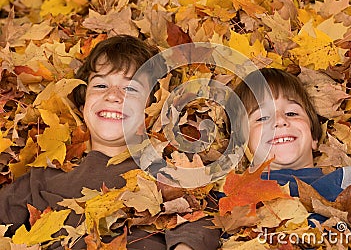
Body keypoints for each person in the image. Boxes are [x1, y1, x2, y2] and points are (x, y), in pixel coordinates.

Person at [0, 35, 220, 250]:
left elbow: (200, 221)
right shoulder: (41, 179)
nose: (114, 96)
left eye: (130, 89)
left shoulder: (167, 174)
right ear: (82, 103)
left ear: (152, 107)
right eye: (101, 86)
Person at [231, 68, 351, 249]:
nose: (279, 121)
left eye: (291, 113)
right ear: (242, 146)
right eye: (262, 117)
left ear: (313, 138)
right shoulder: (232, 197)